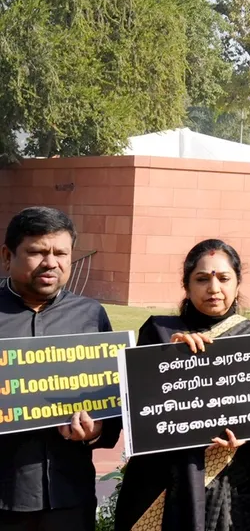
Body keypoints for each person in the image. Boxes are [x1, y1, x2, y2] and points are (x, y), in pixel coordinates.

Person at [114, 240, 250, 531]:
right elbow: (142, 411)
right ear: (186, 284)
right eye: (202, 279)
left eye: (223, 278)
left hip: (238, 485)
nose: (213, 288)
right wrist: (168, 356)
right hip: (170, 483)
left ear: (237, 283)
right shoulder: (159, 332)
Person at [0, 207, 121, 531]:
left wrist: (95, 431)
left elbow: (112, 403)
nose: (50, 262)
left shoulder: (91, 315)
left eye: (60, 253)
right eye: (37, 252)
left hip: (69, 496)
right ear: (7, 255)